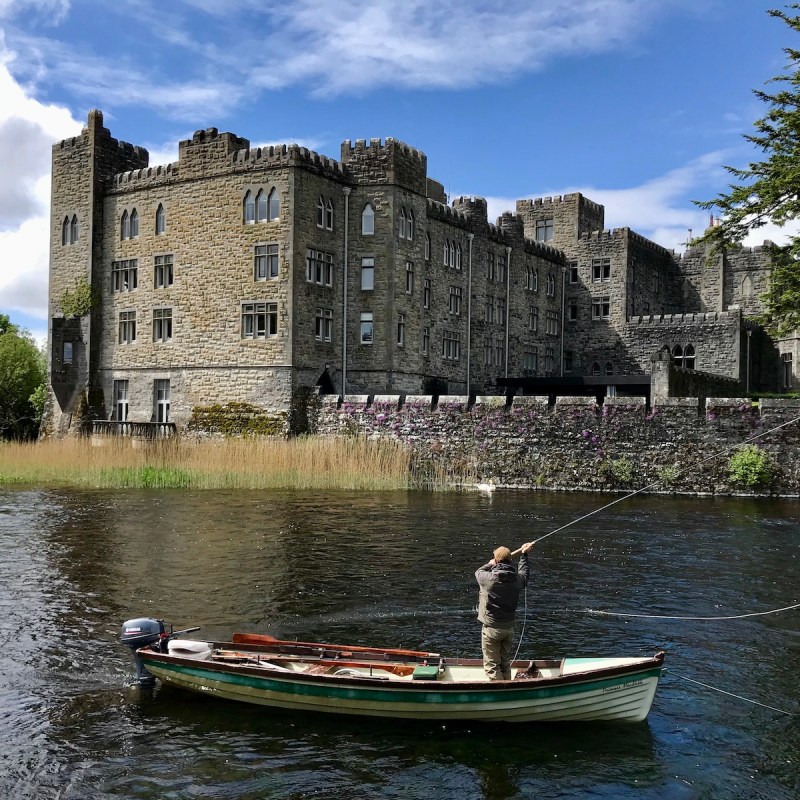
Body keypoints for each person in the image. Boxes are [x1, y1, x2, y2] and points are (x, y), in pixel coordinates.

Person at [475, 542, 533, 680]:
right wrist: (524, 555)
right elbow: (524, 573)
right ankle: (508, 686)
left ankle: (500, 694)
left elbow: (478, 572)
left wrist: (490, 564)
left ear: (496, 560)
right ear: (510, 560)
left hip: (491, 629)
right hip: (508, 628)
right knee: (505, 664)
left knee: (492, 666)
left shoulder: (488, 579)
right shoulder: (517, 580)